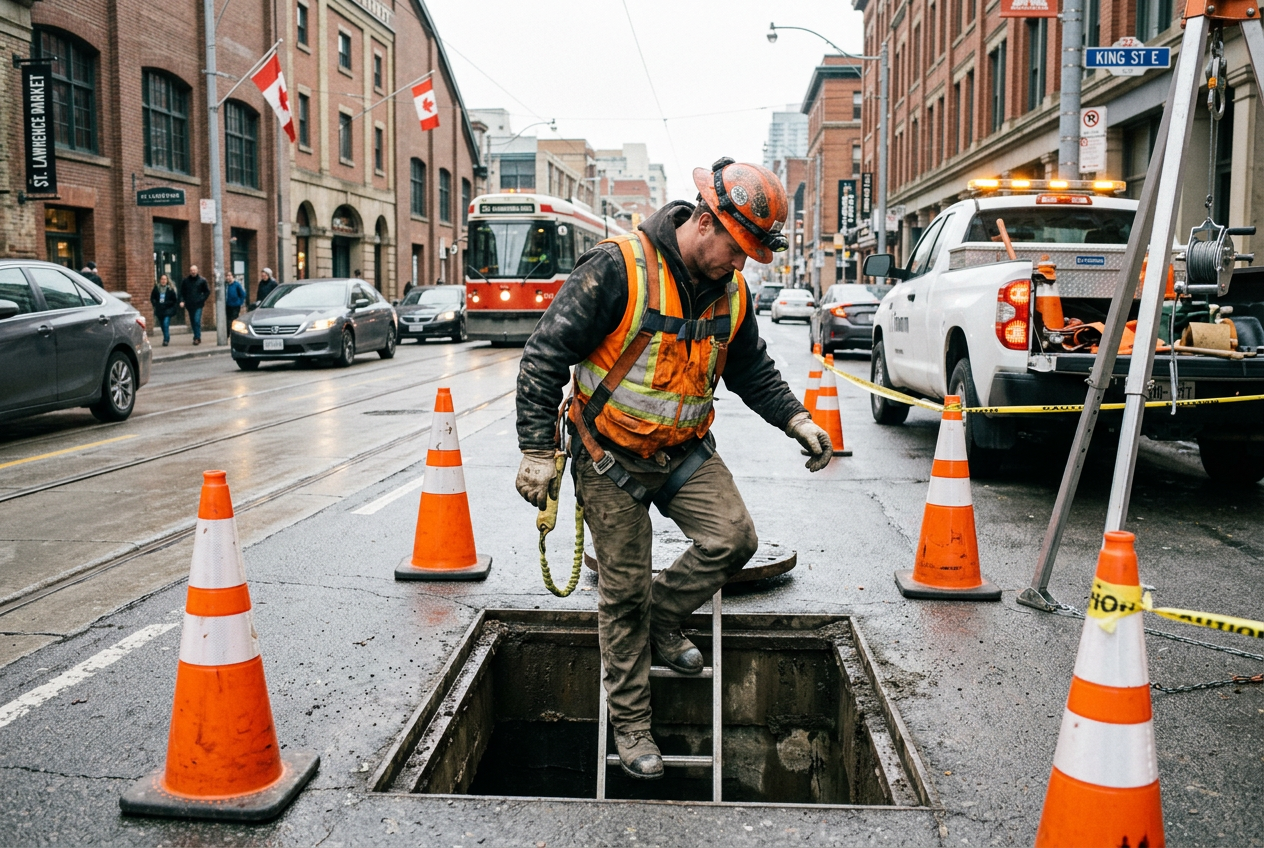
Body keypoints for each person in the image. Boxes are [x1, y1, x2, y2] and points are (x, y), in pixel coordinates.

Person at [513, 158, 833, 780]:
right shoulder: (617, 269)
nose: (740, 265)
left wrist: (796, 418)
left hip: (682, 449)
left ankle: (665, 617)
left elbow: (751, 369)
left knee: (733, 538)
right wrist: (535, 450)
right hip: (609, 453)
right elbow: (544, 354)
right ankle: (633, 727)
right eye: (736, 249)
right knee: (622, 592)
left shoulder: (733, 292)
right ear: (706, 221)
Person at [150, 273, 180, 346]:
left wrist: (166, 303)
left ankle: (166, 340)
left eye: (165, 279)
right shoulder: (156, 288)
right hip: (159, 310)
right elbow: (152, 297)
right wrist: (155, 303)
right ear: (160, 280)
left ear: (167, 280)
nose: (163, 281)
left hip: (168, 310)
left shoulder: (170, 289)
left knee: (165, 323)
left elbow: (174, 300)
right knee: (162, 325)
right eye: (162, 279)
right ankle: (166, 336)